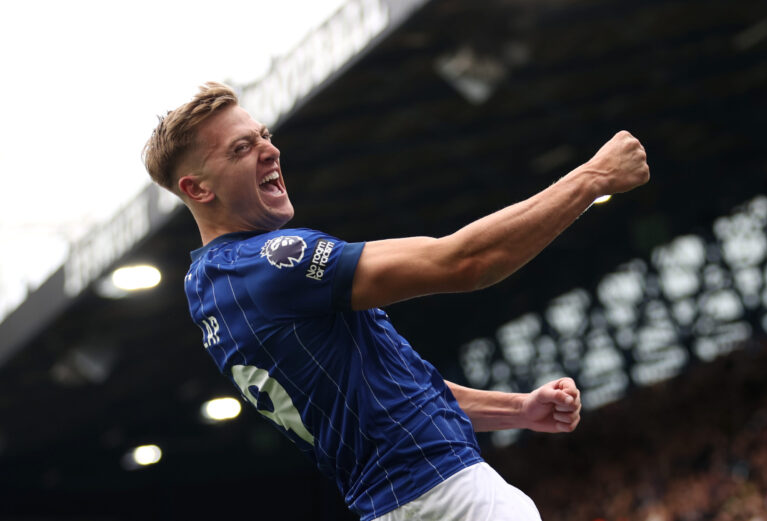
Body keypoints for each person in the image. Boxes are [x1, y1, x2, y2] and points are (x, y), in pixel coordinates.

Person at [143, 81, 649, 521]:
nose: (269, 150)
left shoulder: (210, 289)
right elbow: (463, 262)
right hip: (445, 496)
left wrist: (518, 408)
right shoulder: (269, 262)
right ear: (197, 189)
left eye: (264, 135)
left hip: (404, 503)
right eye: (241, 148)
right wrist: (592, 178)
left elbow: (383, 391)